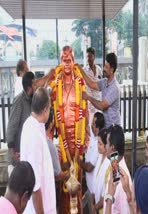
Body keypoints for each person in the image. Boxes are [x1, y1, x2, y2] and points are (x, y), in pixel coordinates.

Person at [49, 45, 87, 213]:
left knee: (77, 181)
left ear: (73, 62)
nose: (66, 64)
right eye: (64, 61)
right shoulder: (55, 85)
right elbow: (51, 113)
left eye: (69, 61)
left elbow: (85, 113)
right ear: (60, 62)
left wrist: (85, 136)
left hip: (77, 142)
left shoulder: (80, 82)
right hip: (63, 142)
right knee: (65, 181)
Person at [20, 87, 56, 213]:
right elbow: (35, 187)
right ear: (45, 109)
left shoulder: (32, 125)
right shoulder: (34, 134)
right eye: (50, 107)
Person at [79, 52, 120, 128]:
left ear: (112, 69)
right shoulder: (104, 82)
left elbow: (102, 106)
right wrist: (80, 70)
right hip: (106, 126)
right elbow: (91, 84)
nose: (104, 69)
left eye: (106, 67)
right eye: (104, 66)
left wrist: (88, 97)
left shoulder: (114, 87)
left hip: (113, 128)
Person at [6, 72, 35, 176]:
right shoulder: (19, 101)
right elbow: (11, 128)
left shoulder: (33, 100)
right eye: (34, 84)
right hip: (17, 156)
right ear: (29, 87)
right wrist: (12, 152)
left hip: (27, 155)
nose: (36, 85)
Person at [102, 124, 132, 214]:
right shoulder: (115, 168)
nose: (105, 146)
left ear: (112, 147)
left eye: (106, 143)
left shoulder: (122, 179)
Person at [79, 111, 105, 195]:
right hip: (89, 188)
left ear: (97, 128)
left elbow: (89, 168)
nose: (91, 125)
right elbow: (86, 127)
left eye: (93, 123)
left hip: (94, 191)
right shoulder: (94, 136)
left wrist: (78, 162)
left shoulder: (98, 146)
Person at [90, 128, 111, 213]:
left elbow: (107, 193)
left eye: (100, 144)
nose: (98, 145)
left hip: (103, 208)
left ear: (107, 145)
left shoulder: (110, 163)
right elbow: (95, 182)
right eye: (97, 142)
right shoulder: (100, 157)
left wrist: (95, 207)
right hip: (96, 204)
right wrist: (92, 203)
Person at [83, 47, 103, 123]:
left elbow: (101, 84)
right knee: (91, 125)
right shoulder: (84, 70)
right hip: (89, 103)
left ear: (94, 57)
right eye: (87, 57)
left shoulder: (99, 69)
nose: (88, 59)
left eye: (90, 56)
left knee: (99, 124)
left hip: (98, 102)